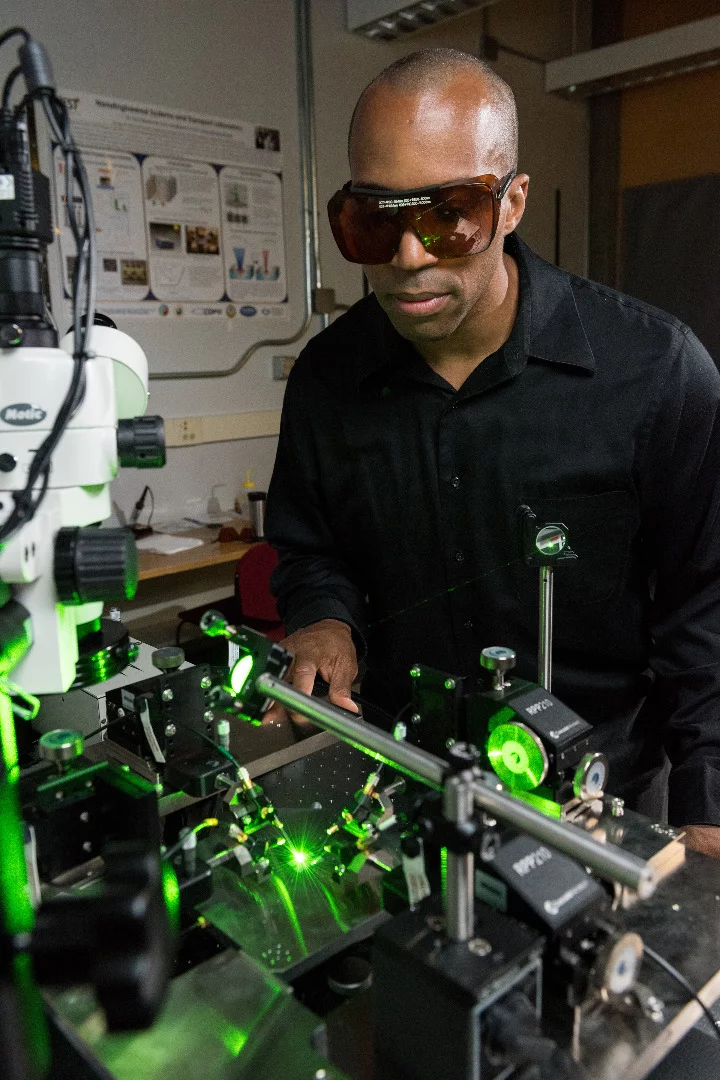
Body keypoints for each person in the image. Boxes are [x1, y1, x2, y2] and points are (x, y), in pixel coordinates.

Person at [265, 48, 720, 856]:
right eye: (375, 220)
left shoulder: (655, 372)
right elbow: (311, 549)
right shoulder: (327, 380)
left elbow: (707, 604)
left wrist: (710, 796)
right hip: (404, 778)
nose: (409, 258)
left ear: (512, 203)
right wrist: (323, 619)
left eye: (449, 214)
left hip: (603, 799)